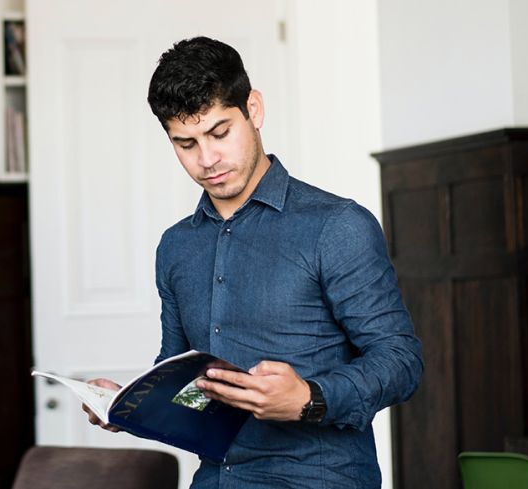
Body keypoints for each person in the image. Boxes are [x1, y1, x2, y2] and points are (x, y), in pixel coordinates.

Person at [85, 36, 423, 488]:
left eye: (219, 133)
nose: (207, 159)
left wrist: (309, 397)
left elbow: (401, 361)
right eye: (185, 144)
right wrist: (129, 406)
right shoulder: (176, 247)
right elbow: (183, 379)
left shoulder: (337, 226)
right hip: (215, 479)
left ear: (254, 110)